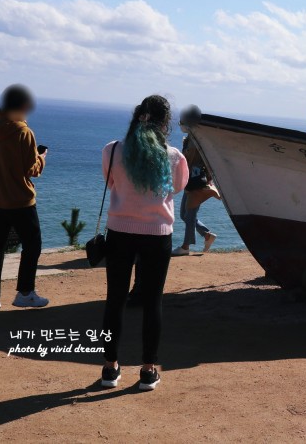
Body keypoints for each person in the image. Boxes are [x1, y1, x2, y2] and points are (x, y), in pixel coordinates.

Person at [100, 95, 188, 391]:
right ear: (166, 123)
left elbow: (110, 183)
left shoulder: (113, 151)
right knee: (153, 302)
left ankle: (110, 369)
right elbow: (175, 188)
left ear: (137, 116)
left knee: (115, 300)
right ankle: (148, 370)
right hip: (158, 234)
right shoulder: (174, 156)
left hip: (119, 232)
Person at [0, 85, 49, 315]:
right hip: (18, 200)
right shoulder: (23, 132)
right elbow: (31, 169)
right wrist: (41, 157)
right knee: (32, 243)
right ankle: (25, 293)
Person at [172, 136, 220, 256]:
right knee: (184, 215)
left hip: (196, 181)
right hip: (189, 181)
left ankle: (185, 247)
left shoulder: (198, 139)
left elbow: (207, 158)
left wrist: (208, 177)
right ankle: (207, 235)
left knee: (190, 214)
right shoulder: (189, 139)